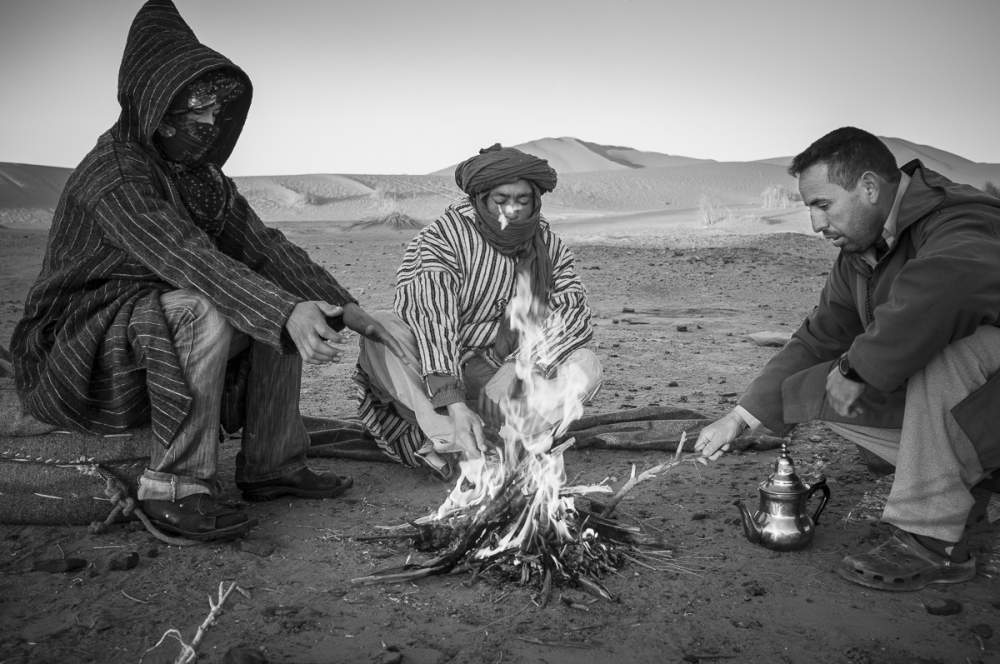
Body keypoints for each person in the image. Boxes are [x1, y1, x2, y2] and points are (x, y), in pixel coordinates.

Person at [10, 0, 404, 542]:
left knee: (273, 297)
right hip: (84, 331)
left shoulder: (201, 178)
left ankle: (274, 465)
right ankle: (172, 488)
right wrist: (282, 311)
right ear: (153, 105)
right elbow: (184, 255)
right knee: (209, 310)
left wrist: (349, 310)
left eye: (215, 116)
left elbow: (264, 247)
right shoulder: (117, 171)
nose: (207, 126)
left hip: (152, 314)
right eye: (193, 116)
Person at [694, 126, 1000, 591]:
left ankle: (931, 543)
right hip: (975, 408)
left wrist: (858, 367)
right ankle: (963, 486)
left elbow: (945, 290)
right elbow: (819, 336)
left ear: (871, 188)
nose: (816, 225)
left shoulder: (959, 218)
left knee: (946, 354)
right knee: (813, 391)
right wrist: (740, 418)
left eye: (823, 205)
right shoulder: (861, 254)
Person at [353, 144, 602, 477]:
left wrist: (522, 364)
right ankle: (457, 442)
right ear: (482, 198)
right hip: (443, 369)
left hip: (511, 379)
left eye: (522, 200)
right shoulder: (442, 238)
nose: (512, 209)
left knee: (586, 363)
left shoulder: (548, 244)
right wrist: (453, 399)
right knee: (380, 329)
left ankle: (518, 438)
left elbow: (572, 312)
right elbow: (431, 316)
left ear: (536, 200)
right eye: (501, 200)